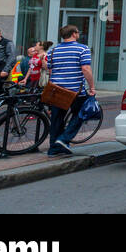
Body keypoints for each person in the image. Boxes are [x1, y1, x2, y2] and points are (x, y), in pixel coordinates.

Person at [46, 24, 94, 157]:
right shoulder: (83, 49)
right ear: (74, 34)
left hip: (56, 89)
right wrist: (92, 87)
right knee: (81, 113)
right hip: (74, 90)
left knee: (57, 118)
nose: (78, 34)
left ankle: (54, 149)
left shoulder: (53, 51)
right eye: (78, 32)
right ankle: (64, 139)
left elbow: (50, 71)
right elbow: (86, 69)